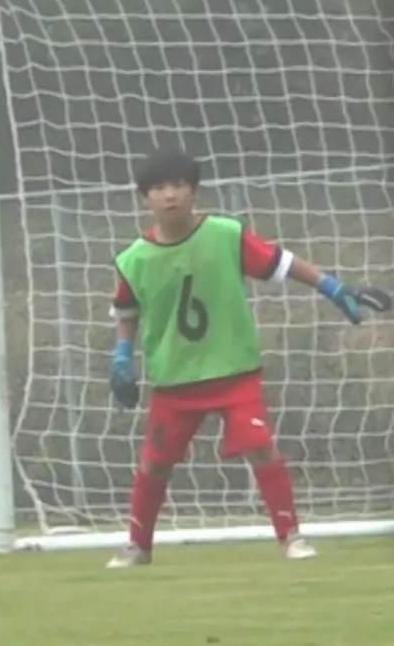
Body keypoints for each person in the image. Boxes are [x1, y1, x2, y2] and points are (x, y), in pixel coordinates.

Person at [107, 148, 389, 567]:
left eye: (180, 185)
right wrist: (122, 356)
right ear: (144, 198)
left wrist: (333, 287)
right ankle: (138, 546)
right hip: (174, 379)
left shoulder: (225, 235)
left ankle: (291, 536)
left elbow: (283, 263)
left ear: (194, 191)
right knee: (154, 463)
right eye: (159, 187)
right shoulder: (133, 259)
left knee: (260, 448)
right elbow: (127, 312)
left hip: (234, 371)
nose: (170, 195)